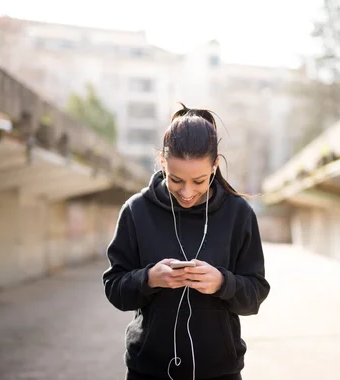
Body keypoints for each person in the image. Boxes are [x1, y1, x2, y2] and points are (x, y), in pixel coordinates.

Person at [102, 104, 270, 380]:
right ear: (162, 162)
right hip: (148, 370)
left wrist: (222, 283)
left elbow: (255, 295)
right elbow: (114, 288)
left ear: (215, 165)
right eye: (176, 179)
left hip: (220, 371)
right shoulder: (136, 211)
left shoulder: (238, 214)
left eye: (199, 180)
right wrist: (149, 278)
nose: (187, 192)